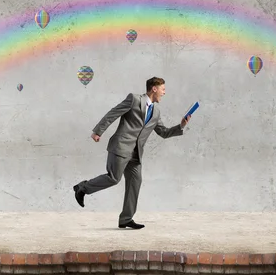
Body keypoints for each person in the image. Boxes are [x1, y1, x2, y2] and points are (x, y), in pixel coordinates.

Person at [73, 77, 191, 229]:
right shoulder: (134, 99)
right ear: (154, 88)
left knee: (135, 181)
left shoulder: (156, 111)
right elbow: (113, 114)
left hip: (136, 154)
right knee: (114, 178)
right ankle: (82, 188)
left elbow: (163, 132)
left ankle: (126, 219)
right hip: (121, 147)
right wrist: (98, 131)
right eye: (163, 89)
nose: (164, 92)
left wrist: (181, 126)